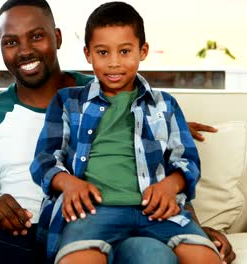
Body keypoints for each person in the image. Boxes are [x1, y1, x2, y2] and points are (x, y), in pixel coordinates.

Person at [0, 1, 234, 264]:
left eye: (37, 36)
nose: (25, 50)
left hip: (117, 225)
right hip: (30, 235)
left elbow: (160, 155)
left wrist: (191, 224)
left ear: (57, 38)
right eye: (11, 41)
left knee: (150, 251)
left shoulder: (117, 90)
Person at [30, 2, 221, 264]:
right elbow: (45, 159)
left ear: (143, 51)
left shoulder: (165, 104)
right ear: (88, 54)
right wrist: (69, 184)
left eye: (124, 51)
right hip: (93, 211)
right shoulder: (68, 101)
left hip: (155, 210)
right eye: (103, 52)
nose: (114, 63)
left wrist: (169, 186)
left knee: (206, 257)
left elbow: (186, 159)